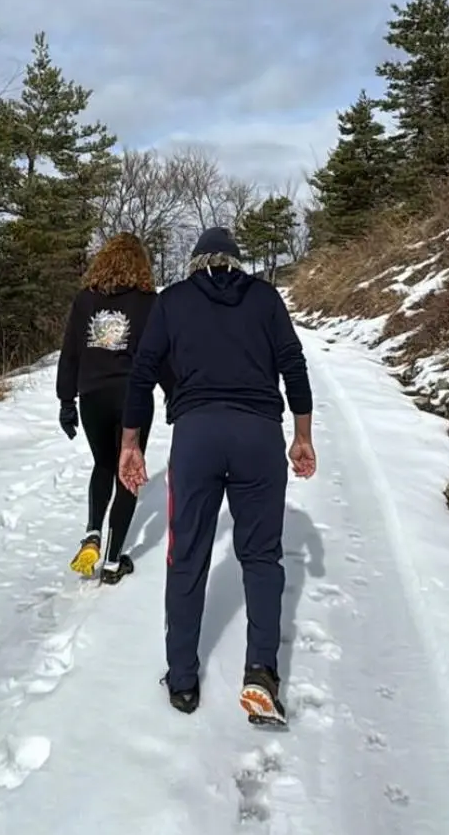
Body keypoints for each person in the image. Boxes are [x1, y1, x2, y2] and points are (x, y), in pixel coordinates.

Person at [119, 226, 316, 725]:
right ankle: (261, 674)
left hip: (196, 438)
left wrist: (129, 444)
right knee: (262, 557)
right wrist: (302, 436)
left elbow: (143, 372)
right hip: (258, 437)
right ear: (235, 261)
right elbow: (293, 365)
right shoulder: (264, 298)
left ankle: (183, 680)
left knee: (186, 556)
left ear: (196, 262)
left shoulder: (173, 300)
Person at [56, 232, 163, 585]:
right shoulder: (148, 302)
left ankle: (92, 532)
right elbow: (159, 353)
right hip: (133, 396)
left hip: (93, 396)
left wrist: (66, 401)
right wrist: (175, 393)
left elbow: (71, 353)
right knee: (127, 471)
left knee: (104, 463)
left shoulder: (84, 299)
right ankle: (114, 562)